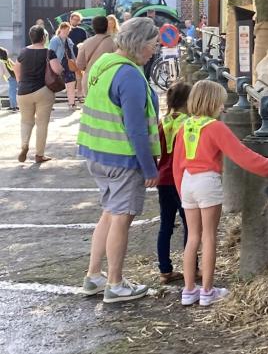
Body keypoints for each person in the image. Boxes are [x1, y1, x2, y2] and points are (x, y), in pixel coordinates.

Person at [78, 17, 161, 303]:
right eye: (152, 44)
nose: (154, 50)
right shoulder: (130, 76)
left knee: (109, 214)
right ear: (139, 44)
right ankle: (115, 283)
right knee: (121, 220)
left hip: (96, 153)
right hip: (123, 160)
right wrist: (149, 167)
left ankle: (94, 276)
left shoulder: (103, 64)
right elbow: (136, 128)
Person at [173, 80, 268, 306]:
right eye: (220, 103)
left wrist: (182, 191)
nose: (223, 107)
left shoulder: (185, 126)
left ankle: (189, 291)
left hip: (188, 182)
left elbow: (177, 163)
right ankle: (207, 291)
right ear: (211, 103)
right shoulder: (215, 127)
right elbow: (241, 155)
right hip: (207, 182)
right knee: (209, 237)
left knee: (193, 237)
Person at [156, 81, 192, 284]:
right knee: (190, 226)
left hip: (163, 179)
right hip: (181, 178)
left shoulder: (164, 122)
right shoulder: (188, 123)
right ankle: (192, 268)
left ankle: (165, 269)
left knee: (166, 225)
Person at [14, 25, 63, 163]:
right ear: (44, 37)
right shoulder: (49, 52)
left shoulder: (23, 52)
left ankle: (24, 145)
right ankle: (39, 155)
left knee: (26, 121)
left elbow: (16, 67)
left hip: (23, 92)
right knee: (42, 123)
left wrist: (20, 82)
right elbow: (57, 70)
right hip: (43, 91)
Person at [75, 16, 116, 97]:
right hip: (108, 79)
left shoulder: (86, 43)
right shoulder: (114, 43)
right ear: (107, 26)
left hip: (89, 79)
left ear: (93, 27)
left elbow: (80, 65)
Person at [49, 22, 79, 110]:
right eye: (65, 30)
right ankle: (49, 104)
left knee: (71, 84)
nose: (67, 31)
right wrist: (52, 64)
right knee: (53, 84)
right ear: (61, 29)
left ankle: (71, 103)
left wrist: (75, 61)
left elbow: (72, 52)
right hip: (57, 63)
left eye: (68, 30)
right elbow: (50, 52)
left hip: (68, 64)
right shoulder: (55, 40)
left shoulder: (69, 40)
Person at [0, 47, 19, 111]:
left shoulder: (1, 62)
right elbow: (15, 66)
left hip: (11, 78)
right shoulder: (8, 60)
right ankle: (14, 106)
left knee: (12, 92)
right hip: (14, 77)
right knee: (13, 91)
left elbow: (1, 72)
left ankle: (13, 107)